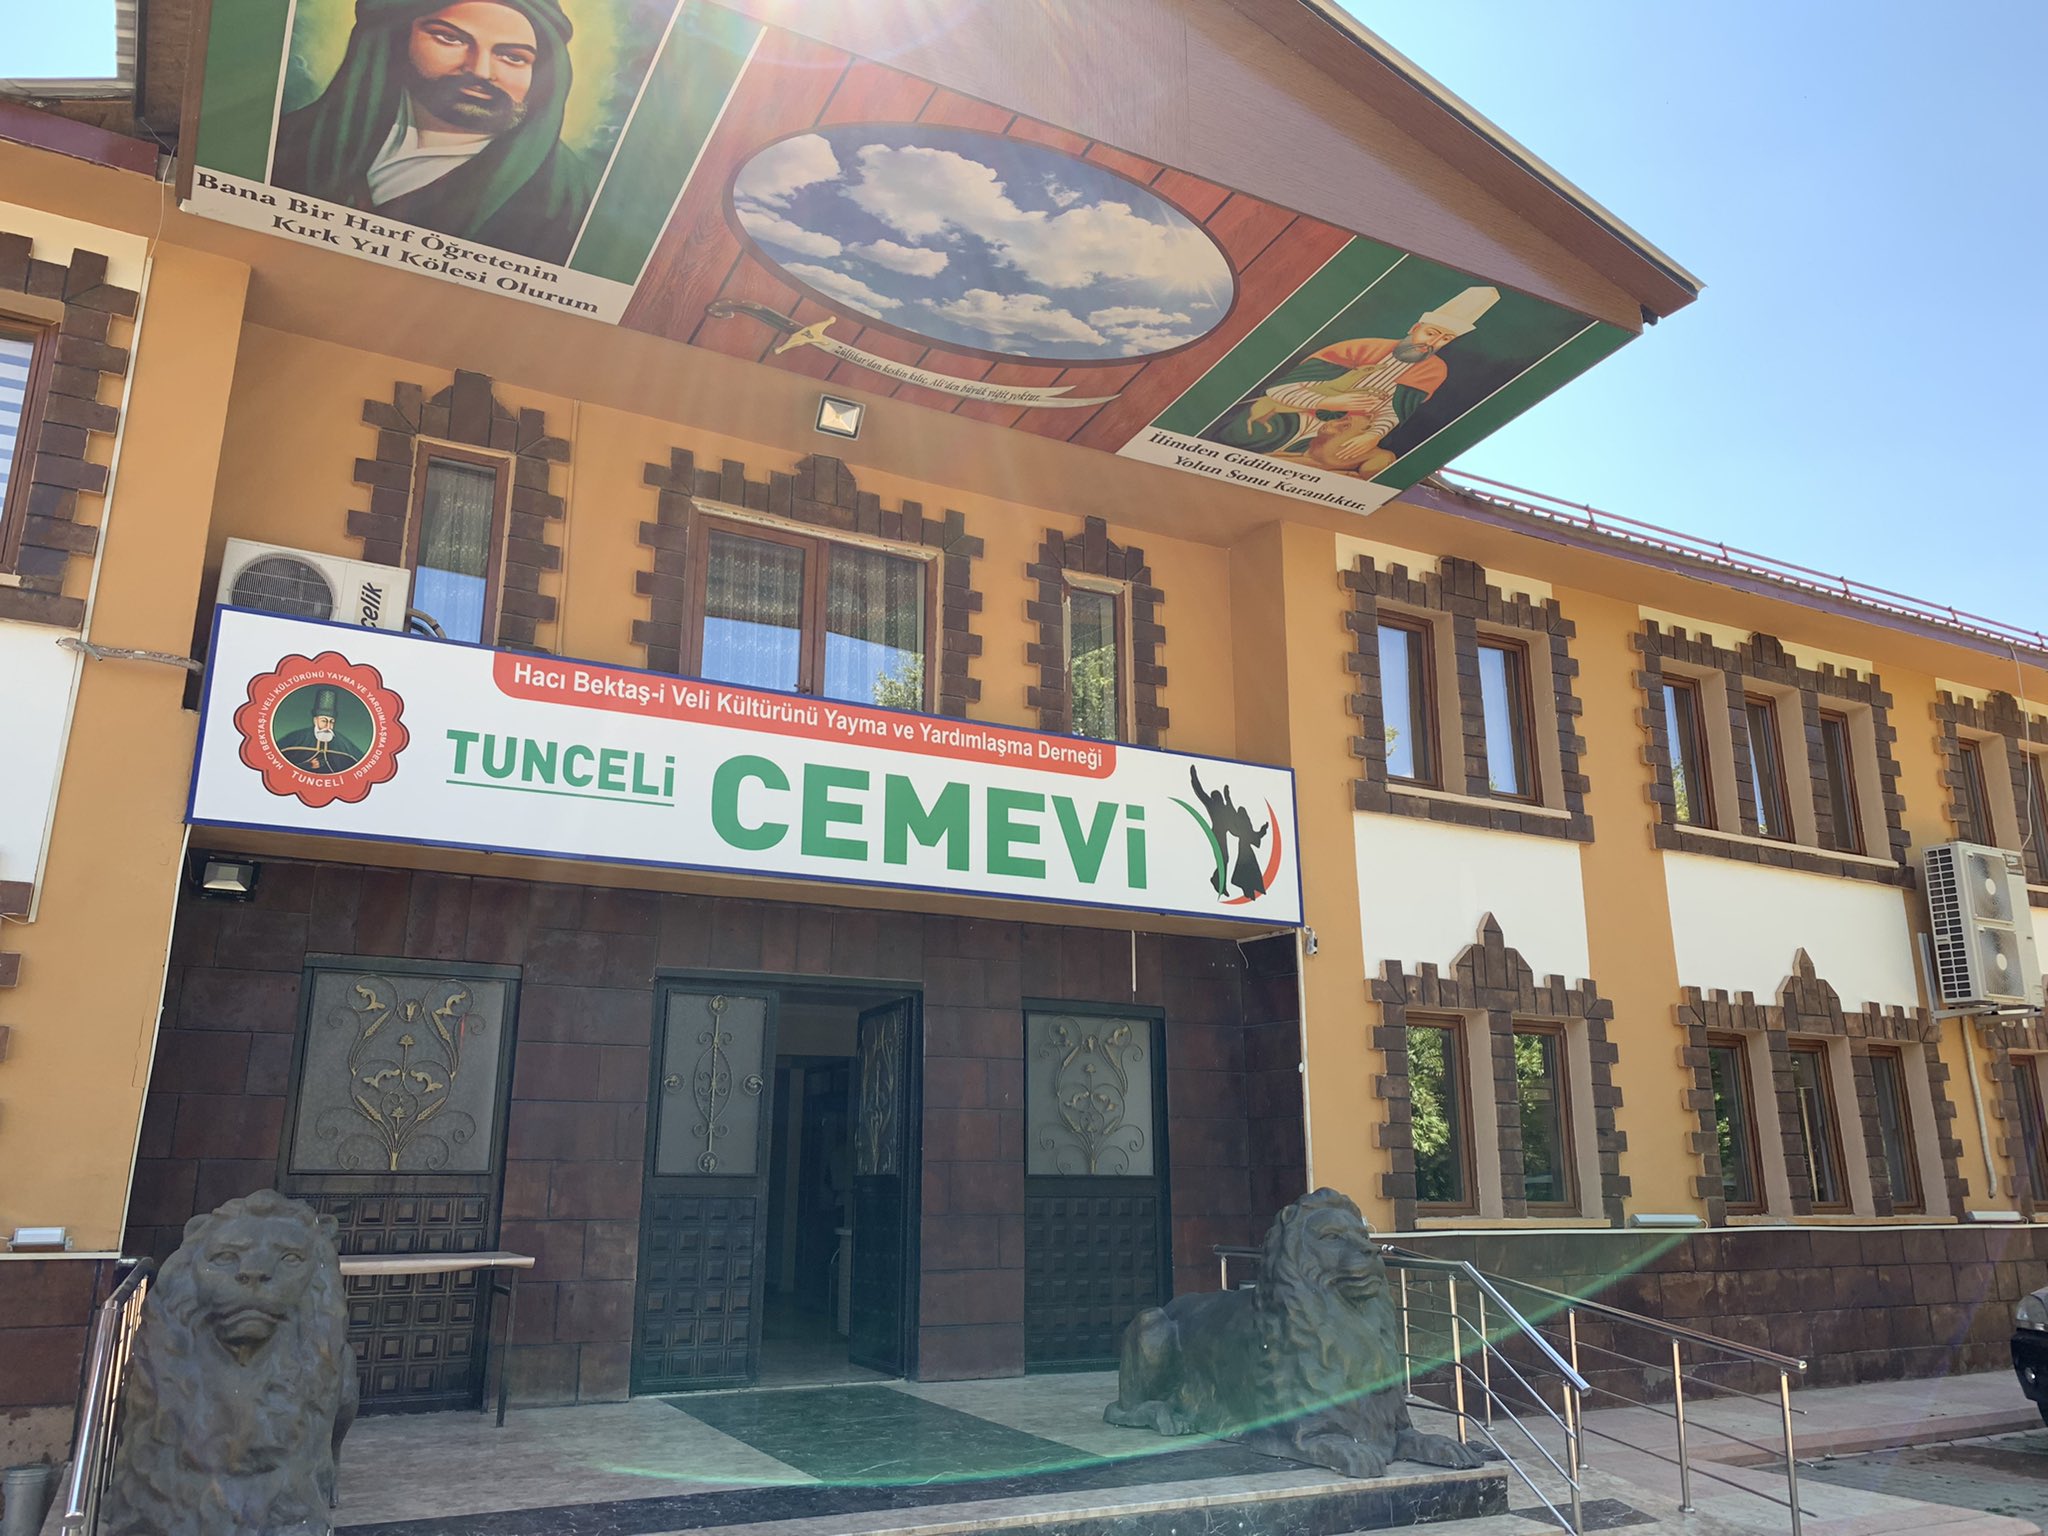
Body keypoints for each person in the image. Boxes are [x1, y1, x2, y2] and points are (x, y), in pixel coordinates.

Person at [271, 0, 597, 264]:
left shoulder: (565, 197)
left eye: (512, 57)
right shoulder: (298, 137)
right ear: (400, 40)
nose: (481, 71)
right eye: (450, 38)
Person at [1210, 286, 1499, 478]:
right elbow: (1278, 389)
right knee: (1240, 436)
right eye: (1431, 333)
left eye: (1444, 339)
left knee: (1374, 460)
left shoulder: (1433, 370)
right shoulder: (1360, 348)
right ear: (1415, 328)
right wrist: (1328, 401)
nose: (1433, 343)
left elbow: (1396, 410)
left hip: (1343, 431)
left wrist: (1373, 434)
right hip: (1291, 416)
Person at [276, 689, 366, 773]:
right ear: (315, 720)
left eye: (331, 722)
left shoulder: (343, 743)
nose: (328, 726)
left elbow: (361, 765)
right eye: (324, 721)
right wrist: (307, 766)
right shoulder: (297, 738)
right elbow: (278, 765)